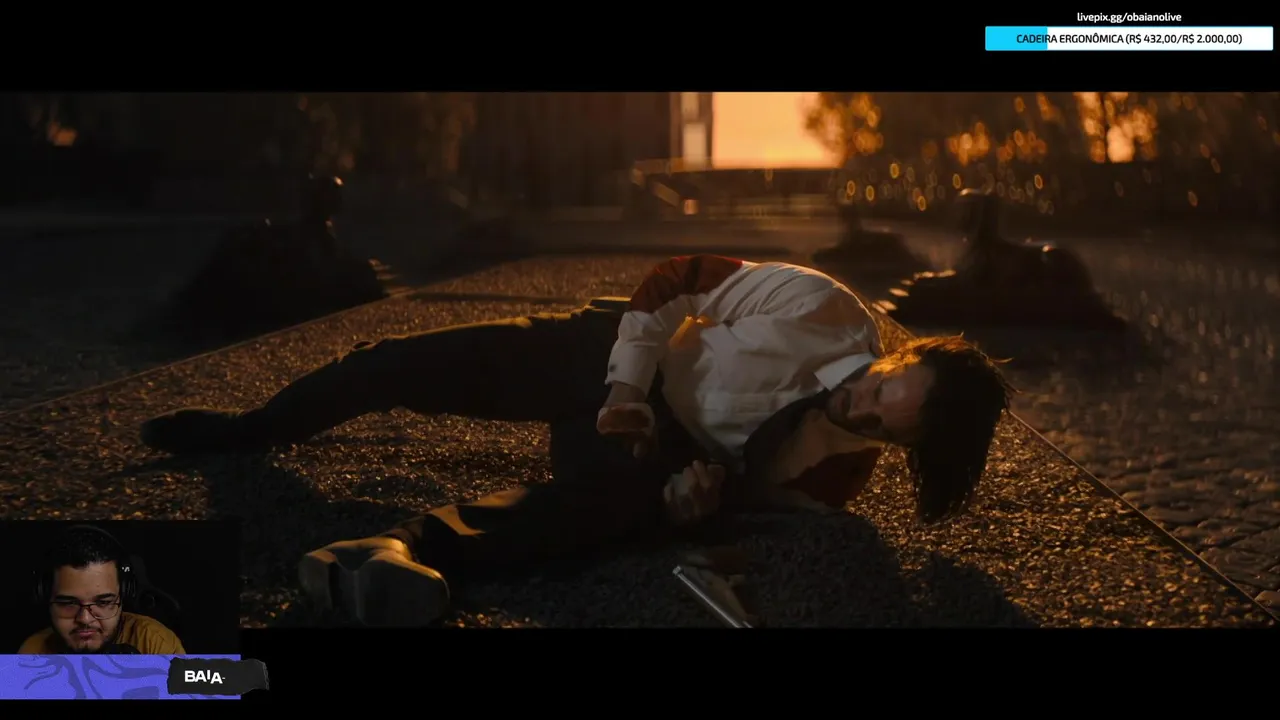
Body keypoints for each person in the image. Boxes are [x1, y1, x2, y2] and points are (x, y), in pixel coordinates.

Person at [141, 254, 1014, 626]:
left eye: (881, 427)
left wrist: (691, 508)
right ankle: (249, 429)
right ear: (902, 355)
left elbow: (722, 512)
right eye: (879, 389)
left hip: (647, 449)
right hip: (610, 356)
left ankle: (392, 552)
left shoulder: (834, 478)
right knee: (401, 365)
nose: (859, 410)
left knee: (614, 511)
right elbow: (671, 282)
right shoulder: (817, 302)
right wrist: (626, 389)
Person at [19, 525, 186, 654]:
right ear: (45, 597)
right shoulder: (34, 651)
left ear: (124, 595)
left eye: (103, 602)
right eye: (68, 603)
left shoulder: (155, 643)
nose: (85, 619)